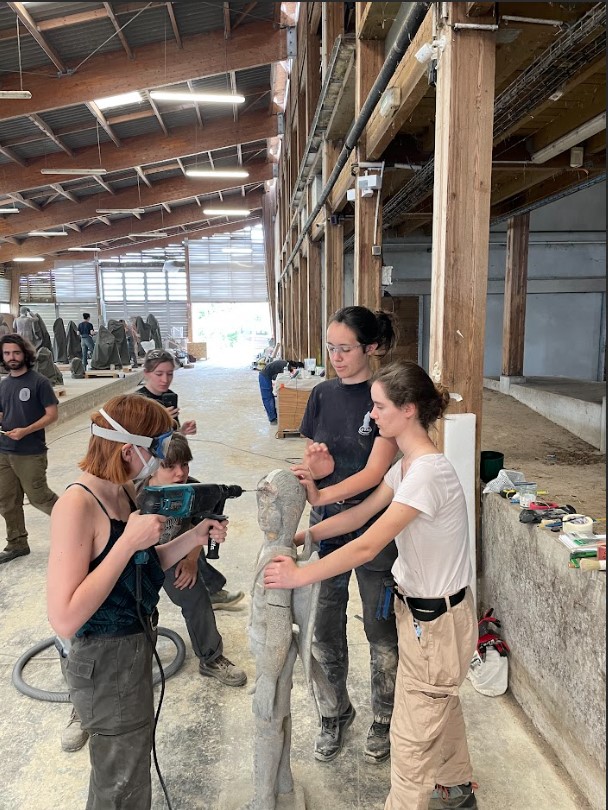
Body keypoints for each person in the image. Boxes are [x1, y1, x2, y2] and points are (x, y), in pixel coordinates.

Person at [264, 361, 478, 810]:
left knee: (410, 740)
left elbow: (366, 546)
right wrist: (311, 527)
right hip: (422, 616)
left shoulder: (427, 475)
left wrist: (300, 575)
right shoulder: (407, 468)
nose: (372, 416)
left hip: (437, 624)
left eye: (379, 407)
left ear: (408, 410)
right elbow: (361, 513)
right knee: (439, 706)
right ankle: (457, 792)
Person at [47, 394, 228, 808]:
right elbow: (64, 618)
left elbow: (143, 566)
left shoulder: (124, 489)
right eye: (158, 450)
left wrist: (193, 537)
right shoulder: (76, 505)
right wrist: (126, 542)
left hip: (134, 643)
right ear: (128, 449)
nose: (161, 462)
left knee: (128, 765)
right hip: (103, 658)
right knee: (119, 784)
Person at [290, 306, 399, 764]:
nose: (335, 356)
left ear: (371, 347)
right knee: (322, 628)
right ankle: (335, 713)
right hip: (330, 529)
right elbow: (315, 454)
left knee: (381, 630)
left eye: (345, 348)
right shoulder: (321, 395)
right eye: (331, 347)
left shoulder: (386, 398)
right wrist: (317, 471)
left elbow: (376, 474)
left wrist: (321, 491)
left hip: (378, 529)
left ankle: (385, 717)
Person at [137, 348, 243, 609]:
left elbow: (173, 444)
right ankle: (204, 583)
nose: (165, 380)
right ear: (146, 373)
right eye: (159, 374)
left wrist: (180, 431)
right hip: (150, 475)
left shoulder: (169, 397)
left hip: (170, 468)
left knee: (199, 508)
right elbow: (138, 449)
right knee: (182, 522)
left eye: (170, 374)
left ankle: (208, 581)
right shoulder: (138, 405)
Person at [142, 433, 247, 686]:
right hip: (137, 559)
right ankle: (137, 660)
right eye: (169, 466)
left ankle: (211, 657)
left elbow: (203, 528)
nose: (180, 473)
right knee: (140, 609)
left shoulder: (196, 490)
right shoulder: (134, 493)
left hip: (177, 552)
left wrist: (191, 561)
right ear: (152, 464)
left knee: (196, 598)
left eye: (185, 465)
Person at [0, 334, 59, 564]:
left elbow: (52, 415)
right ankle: (17, 543)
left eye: (15, 352)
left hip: (30, 452)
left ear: (25, 353)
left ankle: (81, 527)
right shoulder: (4, 385)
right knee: (6, 500)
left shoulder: (39, 382)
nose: (11, 357)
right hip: (4, 451)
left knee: (39, 497)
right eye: (6, 353)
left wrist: (26, 430)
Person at [258, 359, 302, 424]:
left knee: (271, 397)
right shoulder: (285, 367)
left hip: (268, 375)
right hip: (264, 376)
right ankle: (272, 419)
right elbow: (281, 378)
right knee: (267, 397)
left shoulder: (286, 365)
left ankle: (274, 415)